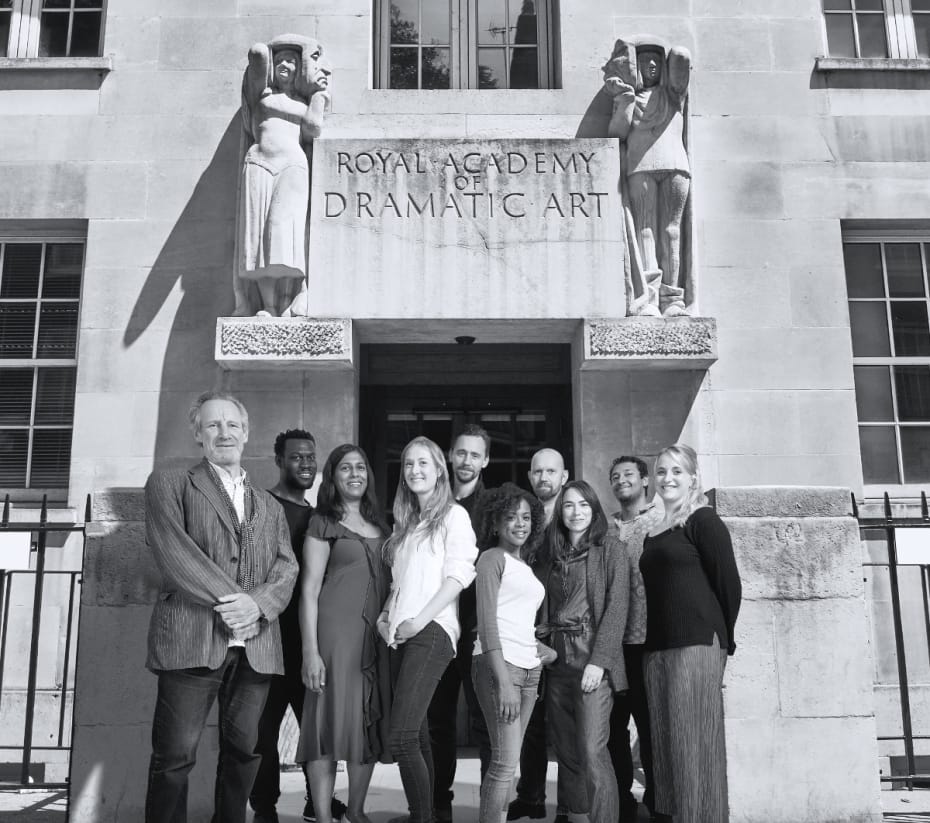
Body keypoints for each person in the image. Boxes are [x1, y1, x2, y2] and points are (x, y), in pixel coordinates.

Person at [143, 392, 298, 823]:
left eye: (232, 424)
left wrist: (257, 606)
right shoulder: (169, 484)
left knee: (244, 753)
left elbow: (286, 568)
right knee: (174, 757)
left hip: (256, 648)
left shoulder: (269, 505)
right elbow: (176, 554)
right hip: (191, 642)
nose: (223, 432)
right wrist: (235, 604)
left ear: (246, 433)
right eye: (212, 425)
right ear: (197, 434)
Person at [377, 436, 479, 823]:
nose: (415, 470)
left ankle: (421, 817)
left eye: (423, 463)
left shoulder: (453, 516)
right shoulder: (406, 525)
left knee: (401, 736)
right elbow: (400, 584)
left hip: (432, 630)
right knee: (416, 735)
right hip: (401, 635)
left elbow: (459, 576)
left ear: (439, 469)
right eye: (408, 464)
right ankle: (428, 814)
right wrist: (387, 615)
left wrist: (420, 619)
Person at [640, 444, 742, 823]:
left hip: (696, 643)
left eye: (677, 471)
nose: (668, 478)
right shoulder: (653, 531)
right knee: (667, 748)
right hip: (658, 649)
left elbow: (729, 585)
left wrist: (722, 641)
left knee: (693, 747)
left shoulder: (703, 520)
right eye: (663, 471)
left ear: (693, 478)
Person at [251, 429, 347, 823]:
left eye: (311, 457)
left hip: (310, 643)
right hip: (268, 641)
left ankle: (317, 801)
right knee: (263, 733)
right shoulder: (261, 506)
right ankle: (264, 808)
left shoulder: (318, 517)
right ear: (279, 460)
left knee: (317, 731)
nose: (306, 464)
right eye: (296, 457)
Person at [297, 444, 392, 823]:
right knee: (325, 724)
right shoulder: (323, 522)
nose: (355, 474)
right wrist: (310, 652)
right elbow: (309, 590)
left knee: (364, 722)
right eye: (345, 468)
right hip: (334, 639)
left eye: (361, 467)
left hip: (373, 640)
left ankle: (355, 810)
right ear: (332, 478)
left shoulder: (381, 526)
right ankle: (322, 816)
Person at [537, 481, 629, 823]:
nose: (576, 513)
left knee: (592, 749)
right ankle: (574, 817)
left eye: (584, 506)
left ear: (594, 510)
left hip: (591, 656)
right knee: (567, 752)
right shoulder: (550, 556)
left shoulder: (610, 550)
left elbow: (617, 609)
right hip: (557, 659)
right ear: (560, 512)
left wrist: (600, 662)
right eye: (569, 506)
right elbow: (540, 606)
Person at [472, 483, 556, 823]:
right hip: (499, 667)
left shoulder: (524, 565)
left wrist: (542, 652)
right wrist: (504, 682)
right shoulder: (491, 559)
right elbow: (488, 623)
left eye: (525, 517)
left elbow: (518, 623)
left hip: (529, 670)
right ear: (495, 523)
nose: (519, 524)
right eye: (511, 517)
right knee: (504, 763)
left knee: (508, 761)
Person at [236, 35, 332, 317]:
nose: (284, 64)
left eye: (291, 60)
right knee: (260, 243)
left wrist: (318, 95)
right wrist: (301, 48)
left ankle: (291, 297)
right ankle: (268, 306)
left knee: (283, 233)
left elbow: (313, 128)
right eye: (279, 60)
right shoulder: (262, 94)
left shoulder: (308, 100)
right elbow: (257, 53)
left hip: (292, 165)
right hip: (260, 163)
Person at [429, 424, 493, 823]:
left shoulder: (495, 507)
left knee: (484, 721)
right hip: (437, 627)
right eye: (461, 453)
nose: (467, 461)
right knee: (437, 721)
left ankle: (491, 807)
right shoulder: (430, 503)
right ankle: (439, 807)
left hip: (477, 628)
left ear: (485, 460)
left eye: (475, 454)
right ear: (450, 456)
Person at [604, 37, 691, 317]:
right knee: (645, 230)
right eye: (644, 61)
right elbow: (616, 134)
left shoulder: (673, 94)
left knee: (672, 231)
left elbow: (681, 58)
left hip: (674, 163)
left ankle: (673, 298)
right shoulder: (630, 96)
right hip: (639, 165)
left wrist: (670, 54)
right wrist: (625, 98)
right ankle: (649, 298)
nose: (651, 65)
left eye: (656, 60)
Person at [508, 448, 570, 823]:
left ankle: (568, 804)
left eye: (552, 471)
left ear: (564, 476)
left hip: (565, 630)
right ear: (531, 476)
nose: (544, 477)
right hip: (526, 628)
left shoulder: (574, 513)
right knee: (530, 722)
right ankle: (530, 797)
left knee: (564, 724)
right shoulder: (524, 518)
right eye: (538, 471)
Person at [605, 456, 663, 823]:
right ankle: (622, 800)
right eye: (615, 477)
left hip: (649, 641)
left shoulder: (661, 521)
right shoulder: (607, 530)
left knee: (650, 726)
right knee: (613, 728)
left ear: (644, 480)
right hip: (614, 643)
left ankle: (659, 799)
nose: (621, 480)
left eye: (628, 474)